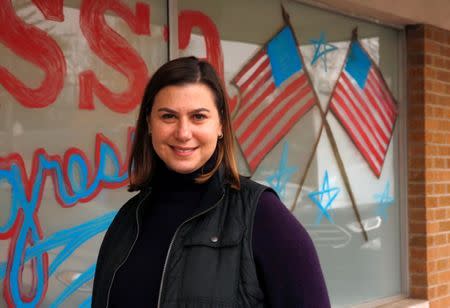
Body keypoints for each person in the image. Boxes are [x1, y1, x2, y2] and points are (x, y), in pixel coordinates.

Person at [92, 56, 330, 308]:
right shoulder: (128, 220)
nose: (183, 133)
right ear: (150, 123)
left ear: (220, 126)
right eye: (168, 116)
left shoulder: (261, 216)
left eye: (198, 117)